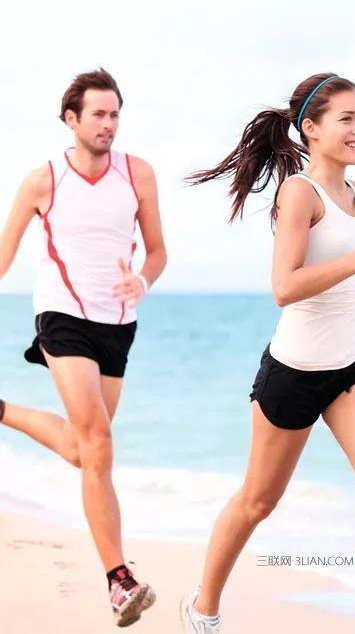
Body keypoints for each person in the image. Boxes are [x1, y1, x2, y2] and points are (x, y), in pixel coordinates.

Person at [181, 72, 355, 634]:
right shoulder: (298, 192)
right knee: (259, 501)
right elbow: (285, 286)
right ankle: (203, 608)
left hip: (353, 363)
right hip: (295, 371)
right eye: (347, 119)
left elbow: (328, 280)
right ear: (311, 127)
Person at [0, 68, 167, 627]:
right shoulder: (42, 181)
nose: (109, 124)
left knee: (83, 449)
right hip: (61, 315)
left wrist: (140, 282)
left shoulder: (138, 174)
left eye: (115, 113)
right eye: (98, 113)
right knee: (99, 442)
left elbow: (158, 253)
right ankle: (120, 580)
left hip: (118, 322)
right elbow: (3, 259)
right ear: (71, 119)